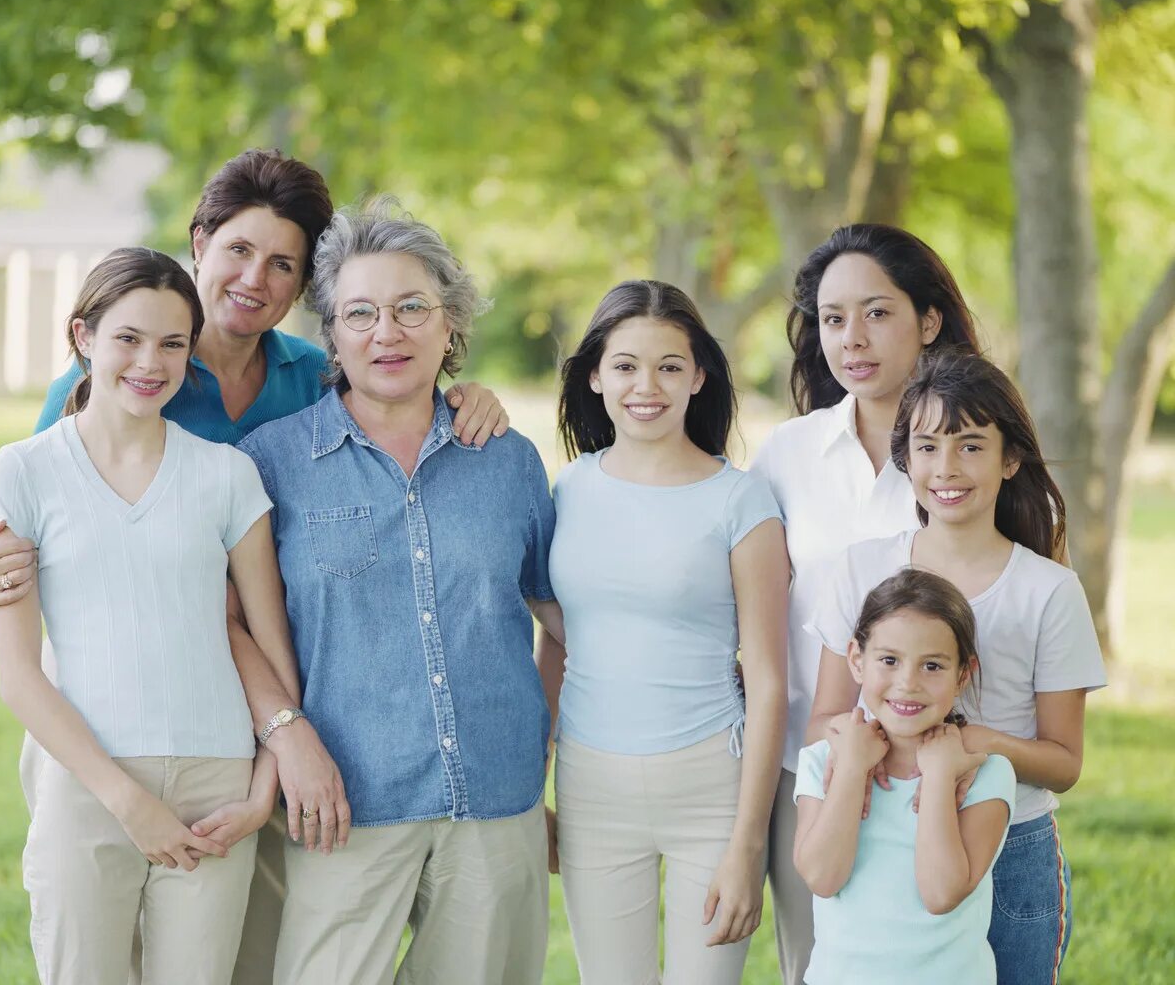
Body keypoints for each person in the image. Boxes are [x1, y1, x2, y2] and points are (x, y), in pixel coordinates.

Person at [0, 149, 509, 985]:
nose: (257, 278)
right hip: (109, 718)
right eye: (240, 251)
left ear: (303, 288)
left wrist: (469, 394)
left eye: (283, 263)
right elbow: (42, 529)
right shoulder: (104, 385)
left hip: (248, 726)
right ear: (200, 242)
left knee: (248, 951)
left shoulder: (312, 379)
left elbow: (395, 391)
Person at [235, 198, 562, 985]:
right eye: (361, 313)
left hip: (495, 799)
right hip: (342, 802)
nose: (389, 332)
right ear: (333, 338)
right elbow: (228, 622)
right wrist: (288, 735)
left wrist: (535, 750)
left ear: (451, 324)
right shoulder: (268, 463)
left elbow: (557, 616)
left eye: (413, 307)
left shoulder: (509, 460)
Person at [0, 248, 300, 983]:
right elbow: (19, 676)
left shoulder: (227, 475)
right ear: (83, 337)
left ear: (193, 354)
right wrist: (127, 800)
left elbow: (269, 640)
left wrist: (262, 787)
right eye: (128, 337)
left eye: (172, 344)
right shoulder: (24, 470)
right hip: (88, 782)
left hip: (218, 788)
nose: (149, 362)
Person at [807, 348, 1108, 984]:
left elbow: (1065, 762)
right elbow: (828, 717)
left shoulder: (1048, 591)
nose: (946, 467)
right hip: (878, 839)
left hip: (1011, 846)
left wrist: (971, 747)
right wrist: (858, 755)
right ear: (905, 459)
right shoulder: (861, 569)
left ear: (1010, 458)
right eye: (927, 446)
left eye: (971, 446)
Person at [749, 223, 984, 984]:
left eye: (878, 312)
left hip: (946, 772)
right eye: (832, 317)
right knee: (819, 965)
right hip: (815, 762)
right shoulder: (788, 455)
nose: (852, 338)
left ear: (929, 320)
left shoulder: (970, 453)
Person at [542, 280, 788, 984]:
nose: (645, 386)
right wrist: (538, 786)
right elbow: (558, 642)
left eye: (669, 366)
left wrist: (747, 845)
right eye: (624, 365)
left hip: (711, 784)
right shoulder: (570, 490)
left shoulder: (741, 500)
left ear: (698, 375)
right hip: (590, 782)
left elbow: (769, 682)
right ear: (594, 375)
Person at [794, 567, 1017, 985]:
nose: (907, 683)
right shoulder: (819, 761)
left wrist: (937, 777)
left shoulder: (986, 775)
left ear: (962, 674)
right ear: (857, 660)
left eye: (932, 665)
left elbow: (940, 894)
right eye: (889, 660)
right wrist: (852, 769)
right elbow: (823, 878)